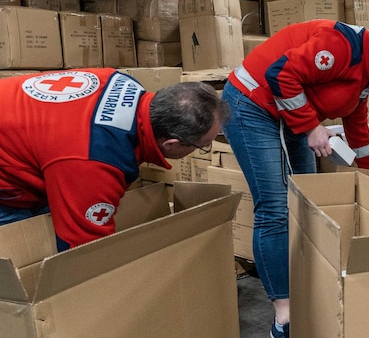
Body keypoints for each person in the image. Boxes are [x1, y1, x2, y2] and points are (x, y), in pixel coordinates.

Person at [221, 13, 369, 338]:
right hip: (251, 103)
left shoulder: (367, 76)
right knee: (274, 207)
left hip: (288, 111)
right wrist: (312, 127)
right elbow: (280, 74)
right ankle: (283, 317)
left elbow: (357, 124)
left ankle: (307, 287)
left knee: (309, 201)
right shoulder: (341, 47)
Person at [0, 68, 229, 250]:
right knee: (20, 262)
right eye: (202, 146)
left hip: (28, 140)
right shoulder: (95, 160)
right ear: (172, 144)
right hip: (11, 172)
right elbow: (84, 250)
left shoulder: (120, 80)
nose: (202, 149)